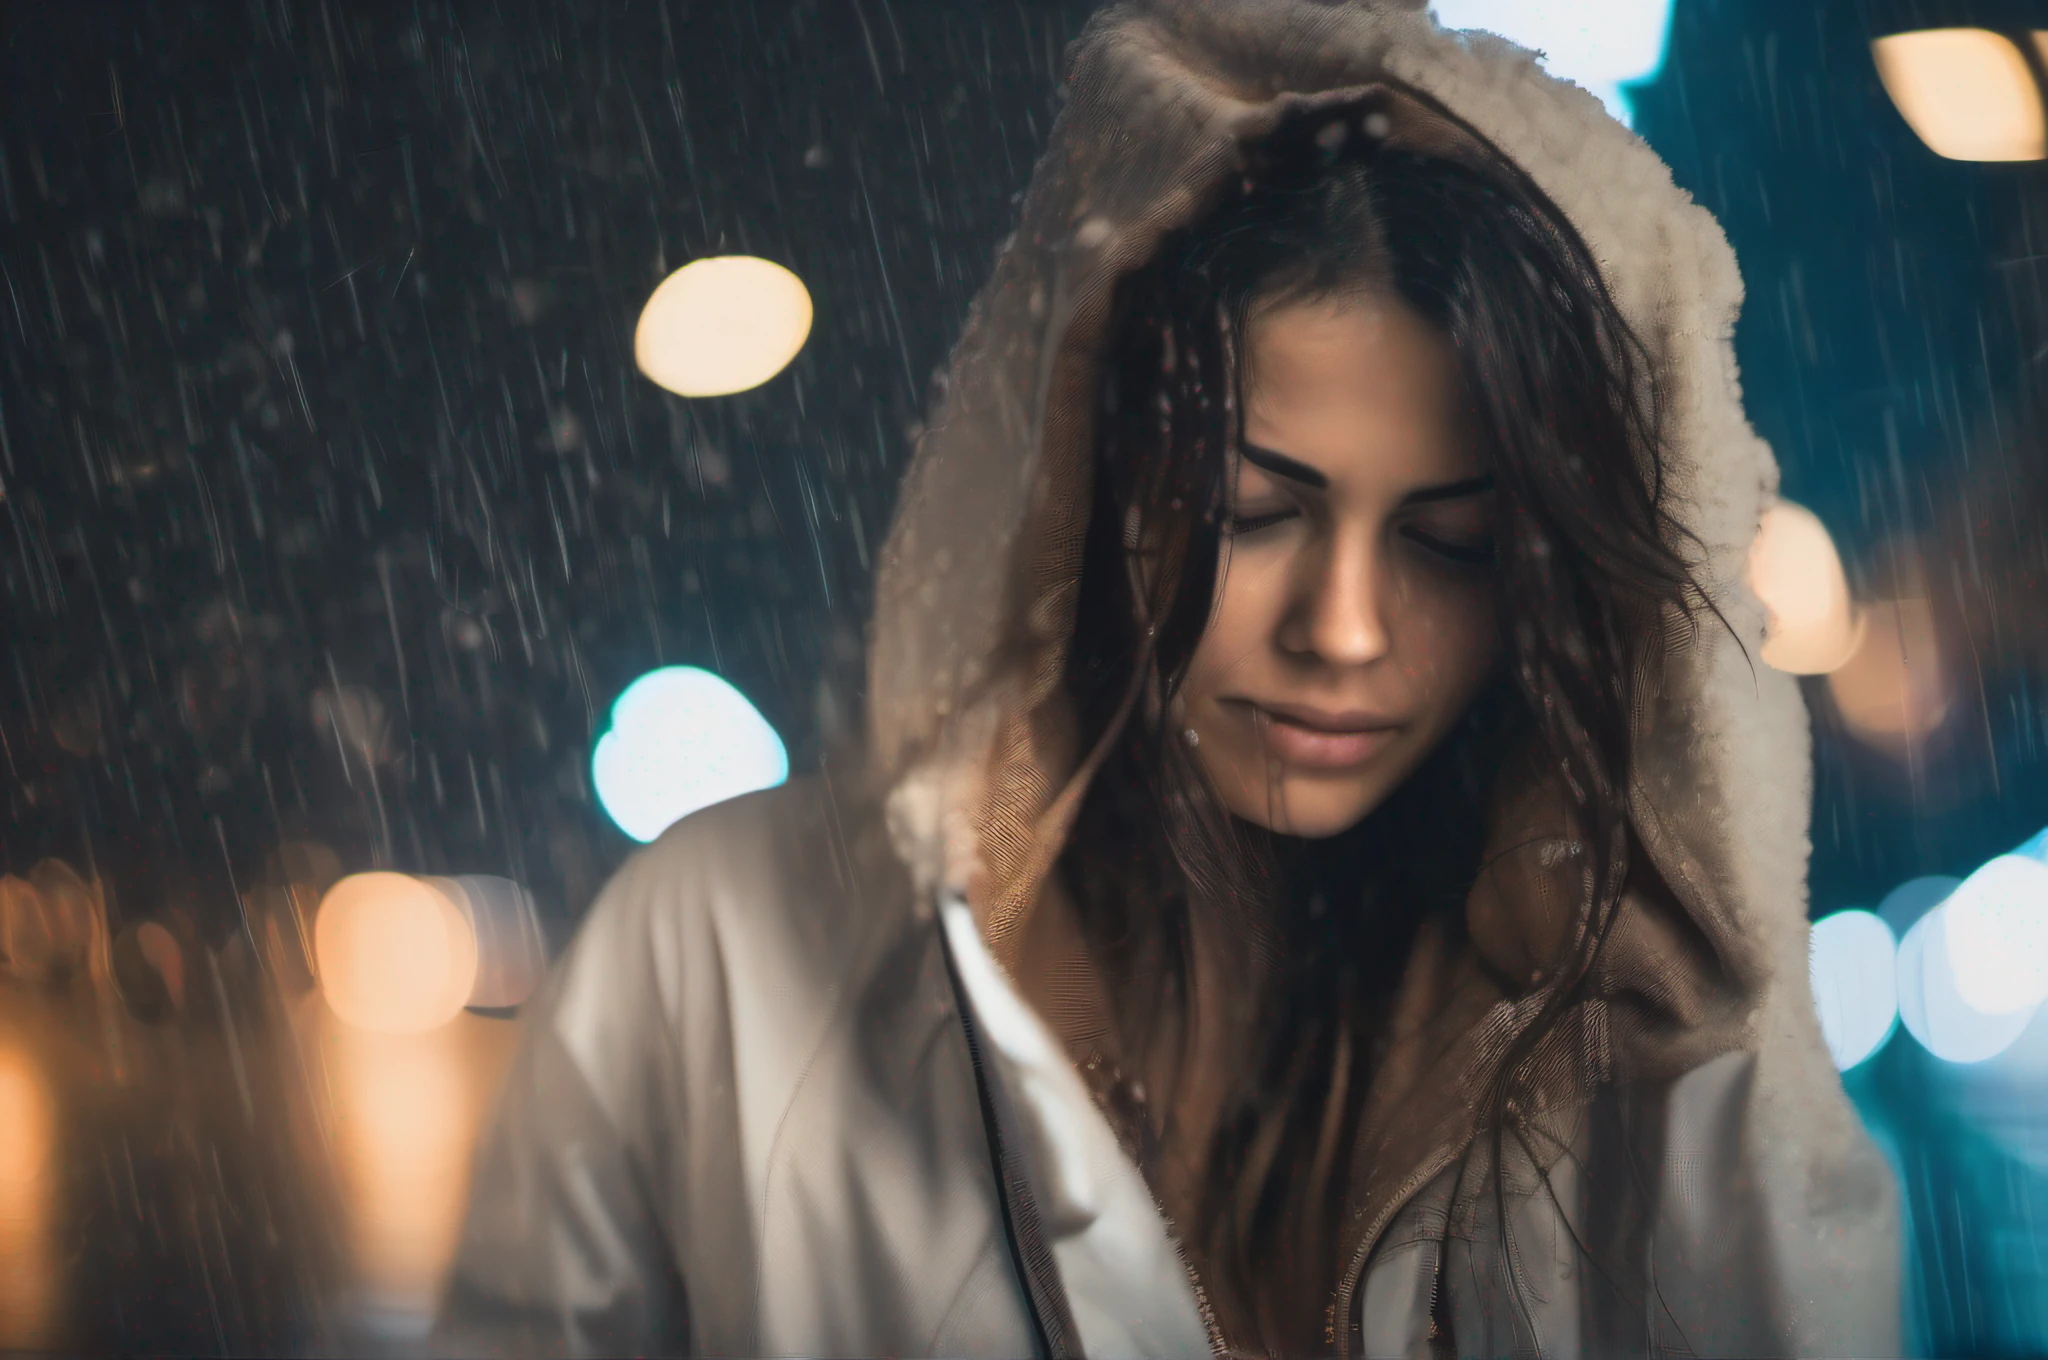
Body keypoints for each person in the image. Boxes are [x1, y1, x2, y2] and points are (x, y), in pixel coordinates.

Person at [436, 1, 1903, 1355]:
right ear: (1095, 473)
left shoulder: (1641, 1065)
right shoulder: (713, 958)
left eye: (1449, 544)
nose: (1343, 628)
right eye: (1255, 513)